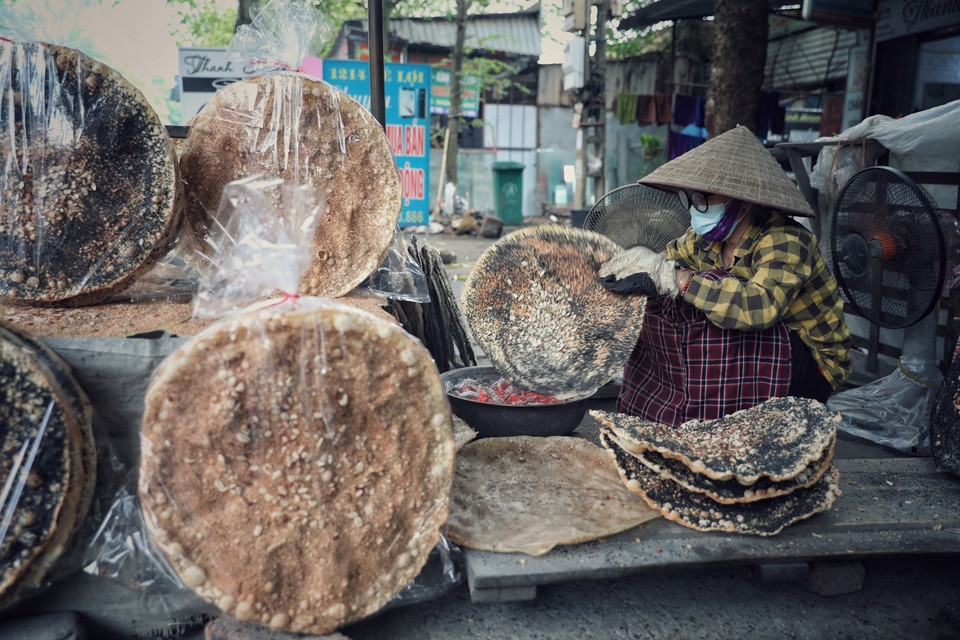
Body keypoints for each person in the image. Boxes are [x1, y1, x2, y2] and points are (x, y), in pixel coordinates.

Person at [599, 124, 851, 425]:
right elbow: (665, 263)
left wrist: (679, 279)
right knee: (662, 305)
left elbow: (759, 307)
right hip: (761, 352)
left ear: (740, 201)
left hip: (808, 363)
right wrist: (634, 268)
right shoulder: (703, 239)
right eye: (690, 197)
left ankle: (712, 425)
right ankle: (671, 413)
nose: (695, 208)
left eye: (705, 198)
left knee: (712, 302)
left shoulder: (785, 240)